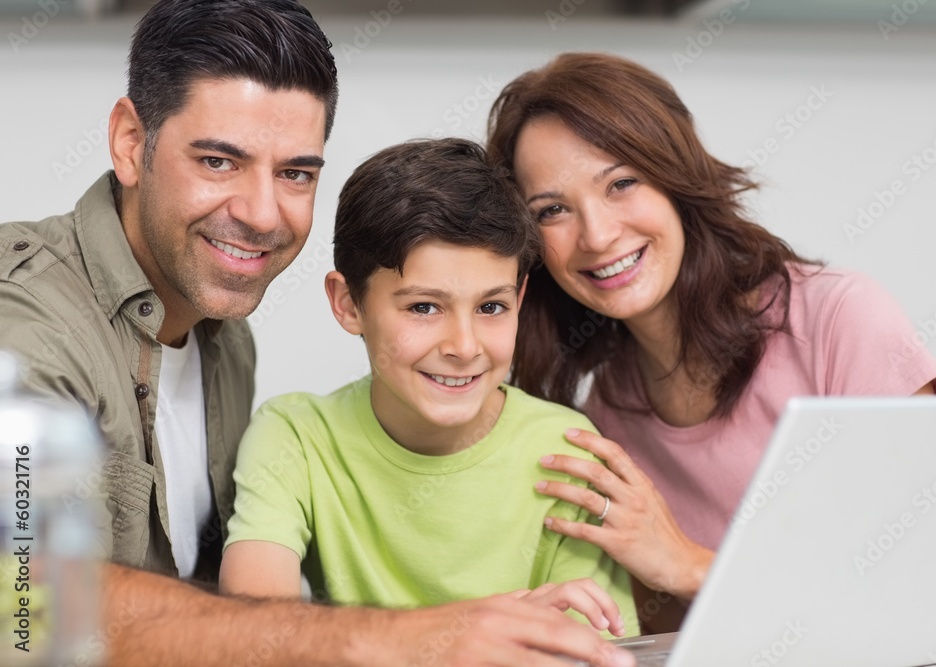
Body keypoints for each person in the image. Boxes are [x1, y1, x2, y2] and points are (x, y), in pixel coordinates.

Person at [0, 3, 636, 663]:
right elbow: (22, 608)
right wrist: (413, 638)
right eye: (219, 161)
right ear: (132, 142)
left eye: (296, 173)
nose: (261, 214)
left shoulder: (223, 335)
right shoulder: (25, 326)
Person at [485, 51, 936, 640]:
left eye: (622, 183)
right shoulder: (610, 410)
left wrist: (687, 564)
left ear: (677, 180)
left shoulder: (838, 319)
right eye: (552, 211)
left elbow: (922, 582)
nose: (598, 235)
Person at [219, 138, 638, 639]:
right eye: (423, 307)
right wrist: (461, 634)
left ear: (520, 297)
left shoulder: (569, 452)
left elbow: (599, 650)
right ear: (349, 304)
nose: (464, 346)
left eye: (491, 307)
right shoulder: (296, 438)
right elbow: (253, 637)